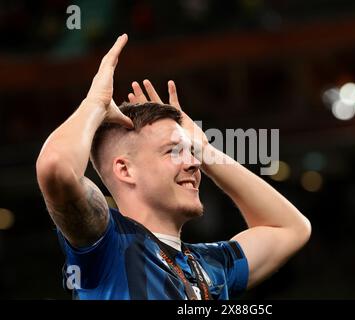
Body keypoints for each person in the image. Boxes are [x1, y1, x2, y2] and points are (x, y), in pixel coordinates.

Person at [36, 34, 311, 300]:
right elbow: (56, 168)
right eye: (174, 152)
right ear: (125, 170)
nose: (193, 164)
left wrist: (206, 151)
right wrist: (94, 105)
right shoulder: (108, 247)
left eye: (190, 152)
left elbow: (291, 228)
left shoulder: (208, 267)